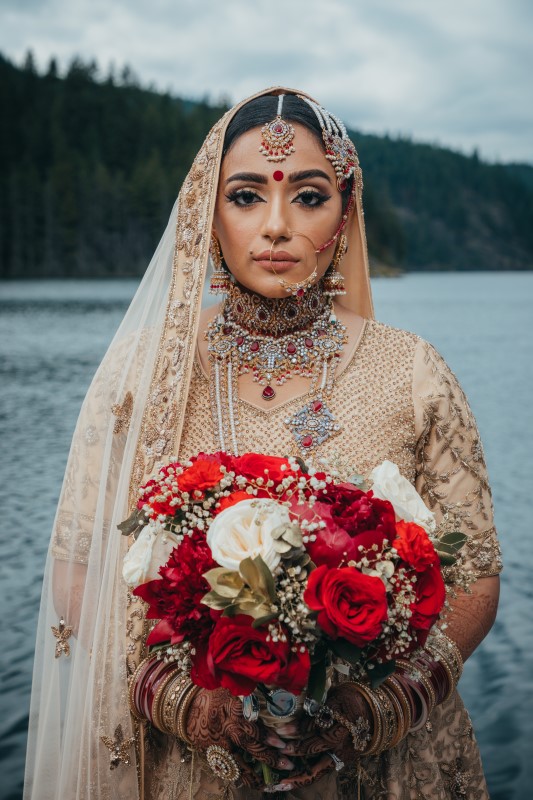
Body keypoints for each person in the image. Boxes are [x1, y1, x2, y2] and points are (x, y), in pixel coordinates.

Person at [24, 88, 502, 800]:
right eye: (246, 196)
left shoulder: (412, 371)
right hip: (187, 762)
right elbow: (76, 569)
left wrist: (371, 710)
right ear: (205, 214)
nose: (275, 226)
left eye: (308, 196)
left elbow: (475, 576)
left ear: (344, 215)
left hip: (376, 765)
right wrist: (192, 705)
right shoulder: (142, 373)